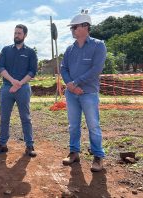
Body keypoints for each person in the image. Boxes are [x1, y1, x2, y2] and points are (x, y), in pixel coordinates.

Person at [60, 11, 107, 172]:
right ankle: (74, 152)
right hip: (71, 94)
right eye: (72, 27)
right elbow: (63, 68)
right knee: (73, 125)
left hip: (89, 93)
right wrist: (70, 85)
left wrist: (76, 83)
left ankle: (98, 157)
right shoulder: (69, 49)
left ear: (85, 27)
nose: (72, 30)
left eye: (74, 27)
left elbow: (96, 69)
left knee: (93, 125)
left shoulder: (98, 45)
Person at [0, 24, 38, 157]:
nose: (16, 35)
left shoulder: (30, 52)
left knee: (26, 118)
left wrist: (19, 84)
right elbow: (1, 68)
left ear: (25, 35)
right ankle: (2, 144)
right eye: (15, 33)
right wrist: (13, 81)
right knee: (4, 117)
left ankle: (29, 146)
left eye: (19, 33)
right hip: (7, 87)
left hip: (23, 88)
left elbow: (32, 71)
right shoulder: (6, 50)